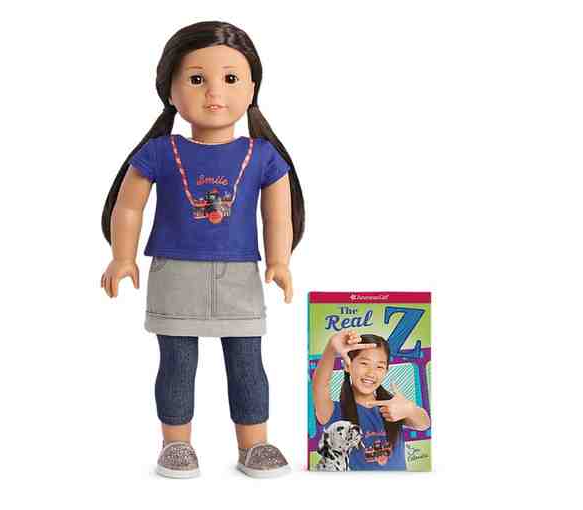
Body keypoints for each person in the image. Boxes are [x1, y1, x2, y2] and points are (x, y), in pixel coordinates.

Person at [100, 21, 304, 478]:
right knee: (177, 363)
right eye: (197, 79)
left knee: (247, 362)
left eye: (230, 78)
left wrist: (279, 261)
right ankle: (176, 443)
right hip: (175, 273)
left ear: (252, 88)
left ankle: (254, 444)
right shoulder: (160, 152)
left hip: (239, 277)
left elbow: (277, 216)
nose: (214, 92)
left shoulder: (262, 155)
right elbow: (128, 207)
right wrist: (122, 256)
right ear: (170, 90)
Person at [312, 331, 430, 470]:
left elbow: (424, 424)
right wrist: (331, 348)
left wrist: (409, 410)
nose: (371, 373)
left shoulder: (392, 407)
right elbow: (320, 385)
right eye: (364, 363)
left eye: (379, 366)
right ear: (347, 365)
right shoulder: (334, 411)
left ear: (386, 371)